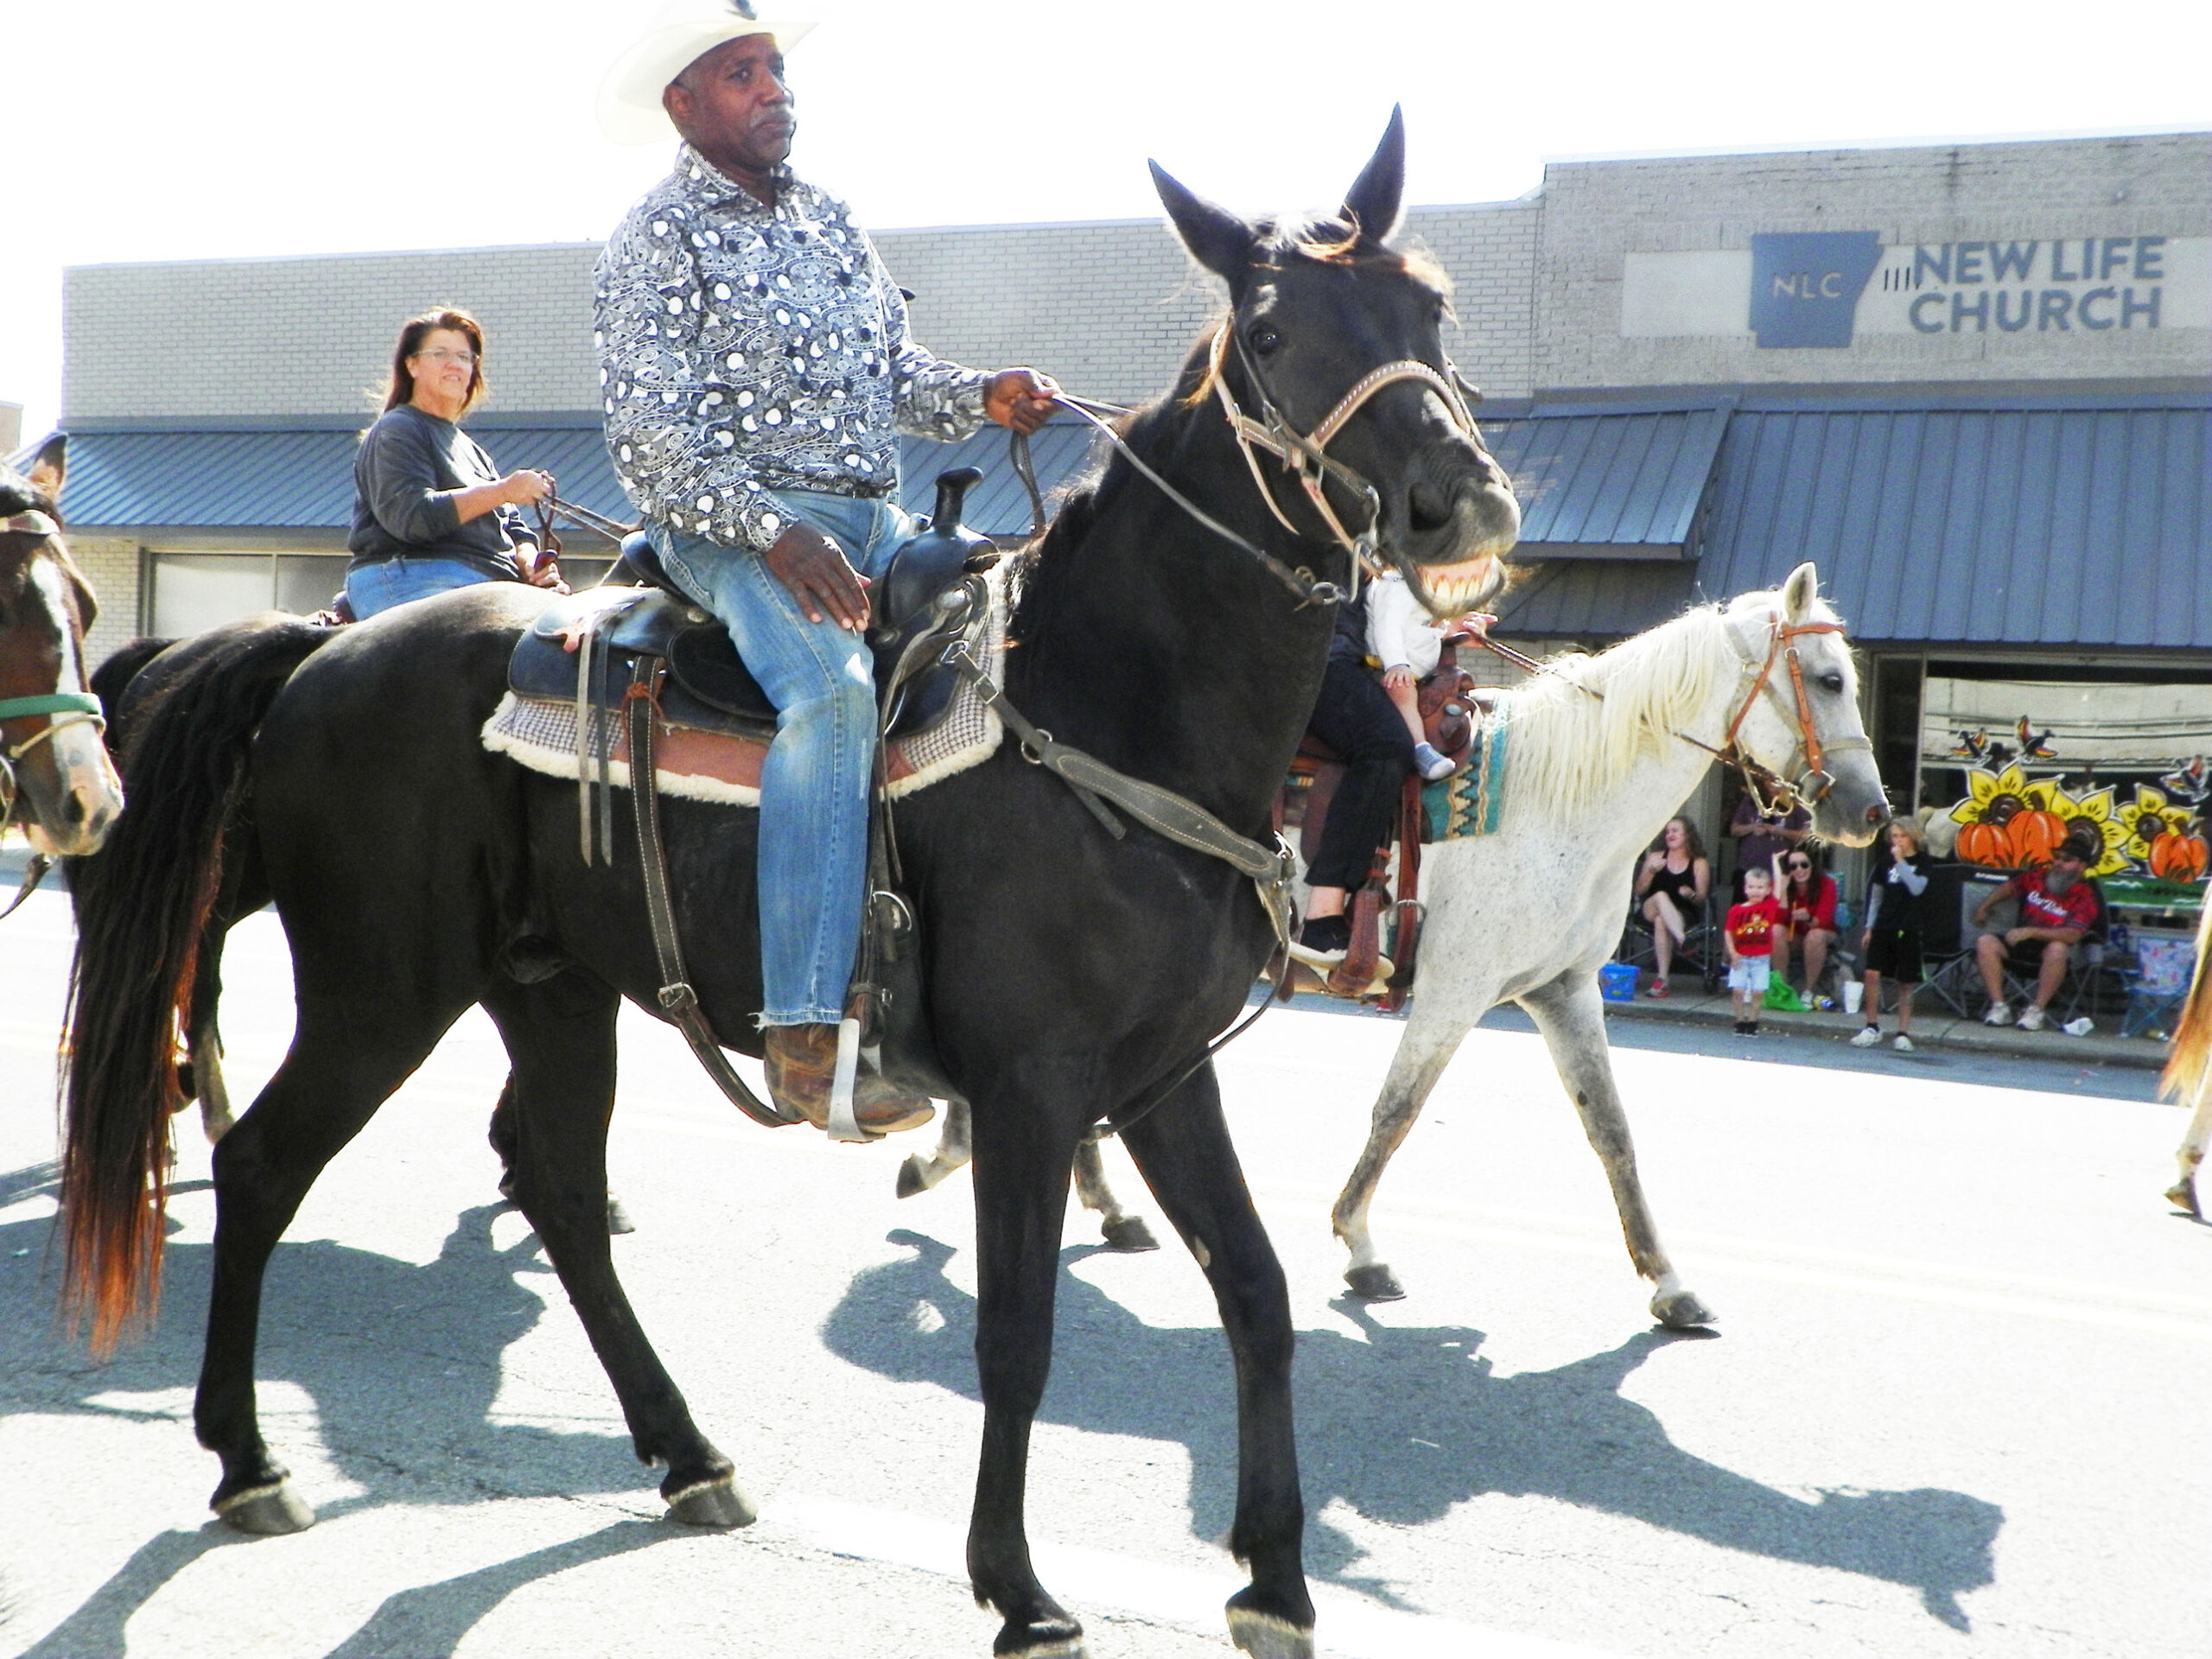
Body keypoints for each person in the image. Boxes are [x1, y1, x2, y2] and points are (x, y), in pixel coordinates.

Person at [593, 6, 1057, 1133]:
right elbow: (645, 431)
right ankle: (804, 1037)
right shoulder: (653, 237)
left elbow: (896, 371)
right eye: (743, 73)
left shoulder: (834, 222)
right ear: (686, 104)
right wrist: (770, 532)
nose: (773, 88)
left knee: (1024, 649)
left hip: (873, 519)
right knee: (834, 698)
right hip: (734, 530)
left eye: (777, 70)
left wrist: (980, 396)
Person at [346, 308, 568, 619]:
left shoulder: (474, 452)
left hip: (494, 584)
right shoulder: (398, 429)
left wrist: (532, 565)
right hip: (416, 573)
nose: (455, 365)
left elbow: (515, 529)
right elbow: (413, 517)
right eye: (440, 354)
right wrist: (504, 489)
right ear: (411, 365)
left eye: (465, 357)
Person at [1971, 831, 2100, 1031]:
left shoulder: (2086, 896)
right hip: (2020, 944)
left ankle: (2036, 1011)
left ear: (2082, 866)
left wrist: (2031, 931)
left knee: (2058, 948)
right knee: (1985, 942)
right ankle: (1999, 1007)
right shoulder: (2038, 877)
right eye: (2057, 857)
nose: (2058, 863)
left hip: (2051, 954)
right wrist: (1984, 906)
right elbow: (2009, 887)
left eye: (2067, 860)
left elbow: (2072, 935)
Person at [1366, 568, 1460, 783]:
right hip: (1389, 665)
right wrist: (1396, 664)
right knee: (1402, 691)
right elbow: (1388, 627)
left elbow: (1421, 625)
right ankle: (1421, 750)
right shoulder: (1396, 586)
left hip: (1420, 668)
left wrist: (1451, 628)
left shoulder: (1424, 586)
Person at [1852, 818, 1934, 1052]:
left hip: (1909, 926)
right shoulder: (1884, 862)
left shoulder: (1923, 861)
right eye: (1895, 836)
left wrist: (1901, 862)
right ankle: (1872, 1026)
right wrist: (1869, 927)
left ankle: (1902, 1032)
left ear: (1913, 837)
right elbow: (1876, 895)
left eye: (1903, 836)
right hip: (1884, 924)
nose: (1898, 841)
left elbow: (1917, 888)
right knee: (1871, 973)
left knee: (1905, 981)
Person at [1633, 816, 1709, 998]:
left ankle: (1662, 980)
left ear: (1687, 835)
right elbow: (1639, 890)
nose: (1670, 834)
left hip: (1682, 912)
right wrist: (1651, 871)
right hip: (1650, 908)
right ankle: (1682, 938)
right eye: (1667, 831)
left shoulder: (1699, 863)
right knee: (1660, 896)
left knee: (1662, 921)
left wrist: (1690, 894)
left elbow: (1701, 900)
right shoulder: (1655, 857)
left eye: (1675, 830)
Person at [1770, 846, 1840, 1005]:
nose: (1799, 870)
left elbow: (1824, 920)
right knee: (1776, 931)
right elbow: (1777, 919)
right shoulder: (1781, 883)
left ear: (1812, 865)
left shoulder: (1826, 884)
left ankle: (1808, 991)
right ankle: (1783, 988)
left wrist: (1808, 918)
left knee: (1815, 935)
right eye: (1793, 866)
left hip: (1821, 932)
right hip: (1795, 935)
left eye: (1804, 864)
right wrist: (1783, 890)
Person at [1724, 863, 1779, 1037]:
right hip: (1741, 957)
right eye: (1751, 887)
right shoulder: (1736, 910)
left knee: (1758, 991)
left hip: (1761, 959)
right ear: (1745, 888)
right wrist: (1732, 953)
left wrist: (1775, 862)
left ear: (1768, 889)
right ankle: (1740, 1020)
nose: (1756, 891)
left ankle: (1753, 1021)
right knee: (1738, 990)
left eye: (1760, 887)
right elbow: (1728, 932)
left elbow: (1779, 884)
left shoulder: (1769, 907)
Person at [1728, 792, 1809, 899]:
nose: (1770, 783)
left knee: (1775, 911)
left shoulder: (1794, 801)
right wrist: (1752, 827)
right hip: (1748, 870)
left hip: (1780, 872)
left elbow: (1806, 836)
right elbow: (1734, 829)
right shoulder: (1751, 798)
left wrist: (1775, 830)